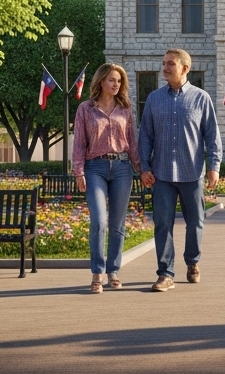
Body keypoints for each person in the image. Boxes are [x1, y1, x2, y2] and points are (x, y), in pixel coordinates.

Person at [138, 49, 222, 292]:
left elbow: (212, 136)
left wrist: (214, 166)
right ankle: (165, 273)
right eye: (163, 63)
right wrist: (144, 167)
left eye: (170, 64)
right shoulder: (154, 99)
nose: (164, 67)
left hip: (191, 172)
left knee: (195, 221)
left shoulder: (201, 98)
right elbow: (145, 137)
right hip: (161, 173)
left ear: (184, 68)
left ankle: (192, 262)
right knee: (162, 224)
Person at [73, 63, 139, 294]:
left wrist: (143, 169)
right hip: (95, 168)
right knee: (100, 221)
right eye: (112, 80)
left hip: (122, 167)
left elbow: (132, 143)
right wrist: (78, 171)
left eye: (119, 81)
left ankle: (114, 271)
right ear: (101, 81)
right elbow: (80, 143)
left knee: (117, 224)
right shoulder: (85, 109)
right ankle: (97, 273)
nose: (116, 84)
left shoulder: (126, 109)